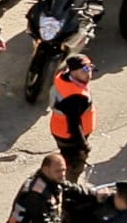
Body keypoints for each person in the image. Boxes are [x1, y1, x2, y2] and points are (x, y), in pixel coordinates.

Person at [8, 153, 111, 223]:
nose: (62, 174)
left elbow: (71, 188)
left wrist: (95, 194)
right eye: (58, 171)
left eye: (64, 170)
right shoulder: (36, 195)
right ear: (46, 169)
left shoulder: (50, 178)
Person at [50, 54, 95, 183]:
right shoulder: (75, 98)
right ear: (73, 72)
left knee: (66, 155)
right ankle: (68, 184)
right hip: (69, 137)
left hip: (59, 127)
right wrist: (84, 146)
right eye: (84, 71)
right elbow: (74, 125)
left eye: (90, 68)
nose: (89, 74)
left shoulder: (63, 78)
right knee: (75, 164)